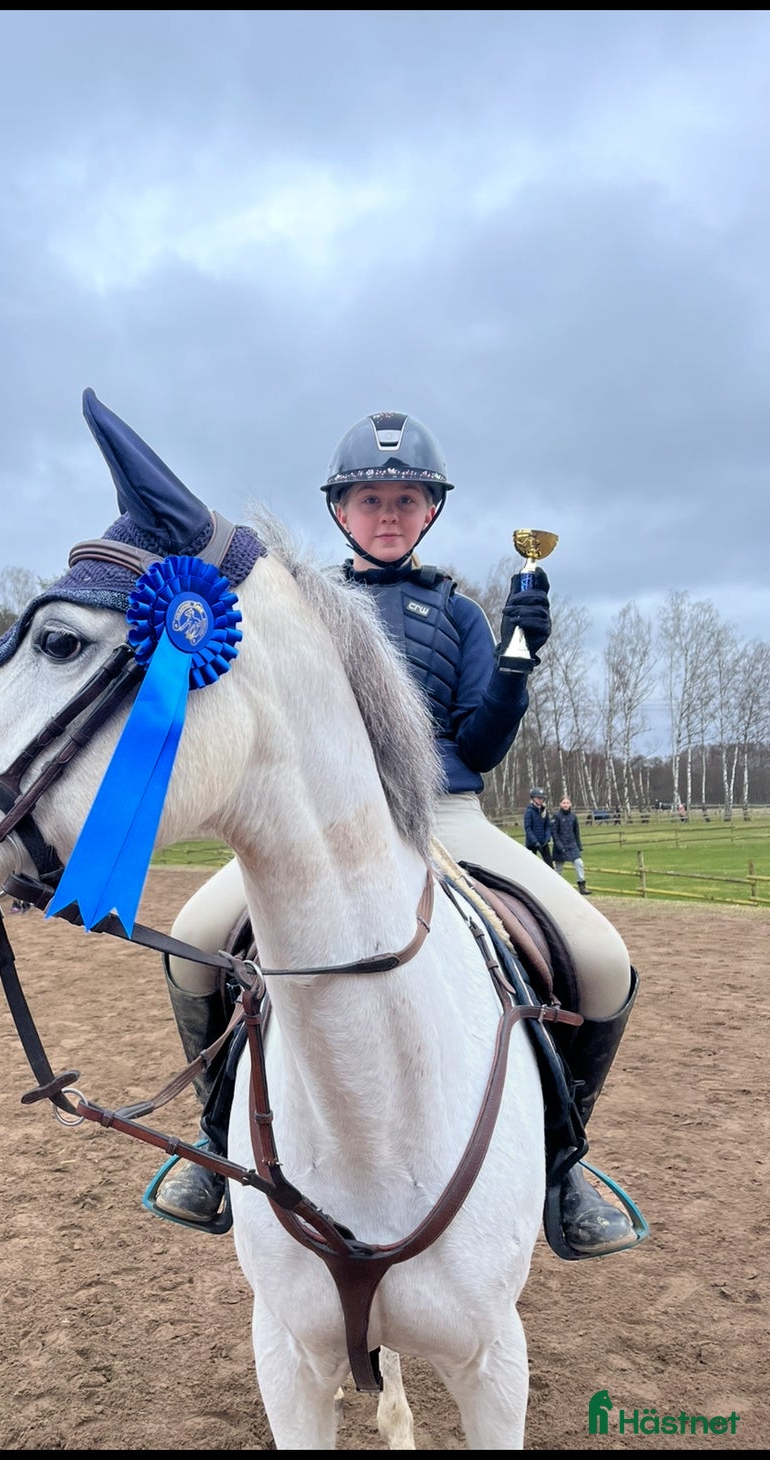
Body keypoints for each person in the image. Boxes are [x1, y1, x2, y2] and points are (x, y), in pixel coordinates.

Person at [152, 409, 640, 1259]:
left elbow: (481, 745)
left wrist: (518, 661)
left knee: (602, 964)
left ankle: (563, 1164)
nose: (388, 514)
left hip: (445, 814)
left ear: (430, 511)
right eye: (371, 499)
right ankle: (211, 1142)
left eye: (406, 499)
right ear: (340, 510)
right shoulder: (296, 608)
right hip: (324, 821)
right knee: (195, 942)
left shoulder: (460, 615)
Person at [552, 795, 589, 894]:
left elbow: (576, 832)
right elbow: (554, 833)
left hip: (572, 845)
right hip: (560, 846)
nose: (565, 805)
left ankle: (582, 886)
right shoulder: (556, 816)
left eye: (567, 803)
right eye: (564, 803)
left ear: (570, 804)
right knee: (558, 868)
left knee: (579, 863)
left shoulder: (573, 816)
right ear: (560, 804)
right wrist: (559, 846)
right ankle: (555, 888)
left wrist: (579, 846)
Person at [523, 788, 553, 864]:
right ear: (533, 798)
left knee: (549, 865)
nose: (540, 800)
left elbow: (548, 826)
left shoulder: (544, 811)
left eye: (542, 798)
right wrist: (535, 842)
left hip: (543, 842)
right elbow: (528, 828)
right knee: (531, 864)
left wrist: (547, 838)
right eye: (538, 798)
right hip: (532, 844)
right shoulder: (529, 811)